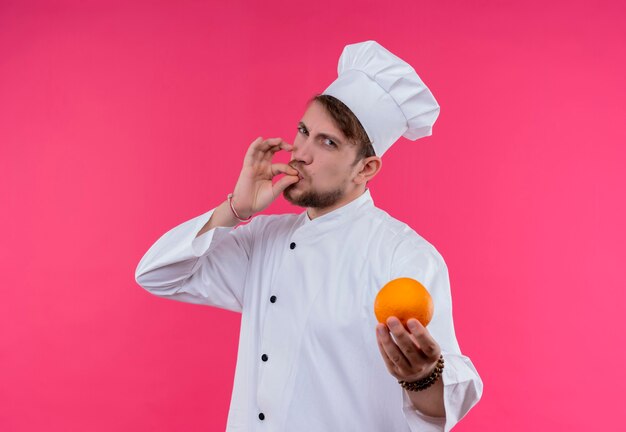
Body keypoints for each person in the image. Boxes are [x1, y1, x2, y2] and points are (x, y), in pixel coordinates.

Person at [135, 40, 483, 431]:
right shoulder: (264, 240)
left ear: (365, 169)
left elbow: (442, 406)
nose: (300, 152)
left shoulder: (402, 255)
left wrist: (422, 376)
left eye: (327, 142)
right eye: (303, 131)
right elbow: (157, 274)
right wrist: (236, 210)